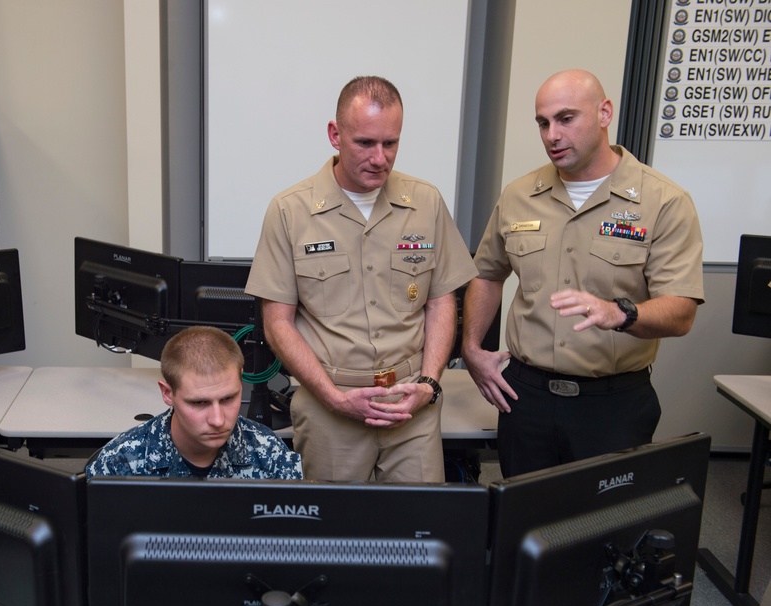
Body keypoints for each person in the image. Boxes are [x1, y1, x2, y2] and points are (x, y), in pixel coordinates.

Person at [462, 69, 705, 478]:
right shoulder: (519, 195)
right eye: (543, 122)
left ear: (605, 112)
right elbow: (487, 274)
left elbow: (681, 311)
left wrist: (620, 313)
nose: (552, 134)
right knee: (524, 528)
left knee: (603, 532)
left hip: (611, 405)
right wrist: (471, 349)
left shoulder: (663, 201)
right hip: (527, 399)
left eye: (566, 118)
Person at [245, 75, 477, 483]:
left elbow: (441, 300)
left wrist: (429, 383)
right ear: (335, 135)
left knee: (419, 534)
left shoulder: (426, 203)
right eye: (365, 143)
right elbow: (276, 323)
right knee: (333, 536)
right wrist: (334, 398)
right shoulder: (290, 211)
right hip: (329, 406)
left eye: (391, 143)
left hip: (410, 406)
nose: (380, 158)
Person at [85, 326, 302, 479]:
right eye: (199, 403)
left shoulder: (270, 455)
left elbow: (294, 540)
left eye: (228, 398)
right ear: (168, 393)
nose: (218, 420)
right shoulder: (121, 462)